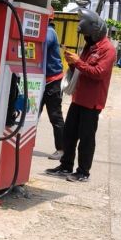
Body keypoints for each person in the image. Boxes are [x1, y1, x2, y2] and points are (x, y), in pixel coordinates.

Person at [45, 9, 115, 182]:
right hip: (78, 98)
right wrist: (73, 63)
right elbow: (82, 69)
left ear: (95, 32)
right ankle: (65, 166)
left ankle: (83, 172)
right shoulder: (89, 46)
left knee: (86, 138)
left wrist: (78, 62)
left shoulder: (108, 49)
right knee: (69, 134)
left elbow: (98, 73)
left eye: (87, 35)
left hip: (92, 102)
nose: (85, 38)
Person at [40, 13, 65, 160]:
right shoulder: (45, 31)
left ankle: (62, 150)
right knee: (32, 115)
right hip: (40, 81)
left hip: (52, 82)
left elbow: (42, 43)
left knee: (55, 116)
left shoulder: (49, 32)